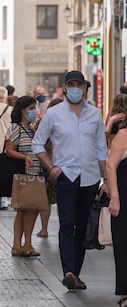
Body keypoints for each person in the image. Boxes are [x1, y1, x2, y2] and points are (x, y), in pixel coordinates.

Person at [33, 70, 108, 290]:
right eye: (72, 85)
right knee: (67, 223)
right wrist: (51, 167)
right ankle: (68, 270)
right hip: (66, 175)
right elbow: (38, 143)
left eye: (80, 85)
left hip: (90, 177)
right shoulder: (54, 114)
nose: (76, 88)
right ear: (65, 88)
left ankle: (75, 272)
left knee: (82, 225)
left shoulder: (94, 114)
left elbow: (102, 150)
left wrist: (107, 180)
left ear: (85, 88)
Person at [5, 96, 41, 257]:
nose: (34, 111)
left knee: (30, 210)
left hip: (35, 174)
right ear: (22, 110)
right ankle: (20, 244)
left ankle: (24, 244)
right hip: (24, 175)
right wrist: (24, 157)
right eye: (31, 108)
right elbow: (9, 149)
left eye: (35, 107)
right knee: (24, 210)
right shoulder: (16, 128)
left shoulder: (32, 129)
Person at [106, 119, 127, 307]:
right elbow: (111, 165)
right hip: (124, 198)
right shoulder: (123, 135)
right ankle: (125, 293)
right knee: (123, 245)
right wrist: (114, 197)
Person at [35, 98, 62, 238]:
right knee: (61, 199)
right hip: (61, 164)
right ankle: (62, 228)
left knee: (45, 199)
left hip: (45, 164)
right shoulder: (66, 122)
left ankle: (44, 229)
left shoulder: (42, 122)